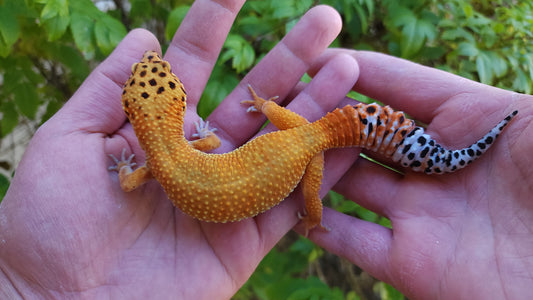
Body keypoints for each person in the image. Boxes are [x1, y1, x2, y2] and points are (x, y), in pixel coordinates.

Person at [0, 1, 531, 299]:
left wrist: (122, 164)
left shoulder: (152, 166)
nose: (156, 71)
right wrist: (266, 110)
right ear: (174, 101)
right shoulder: (187, 147)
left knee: (312, 204)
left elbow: (130, 178)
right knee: (312, 195)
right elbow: (206, 141)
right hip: (295, 138)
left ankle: (367, 188)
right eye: (156, 80)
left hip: (304, 145)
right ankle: (412, 158)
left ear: (135, 115)